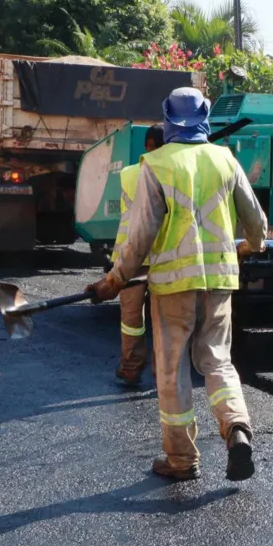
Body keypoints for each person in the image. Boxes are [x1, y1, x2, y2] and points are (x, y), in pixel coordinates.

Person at [87, 87, 269, 481]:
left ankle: (182, 460)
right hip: (220, 281)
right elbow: (255, 219)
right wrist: (251, 246)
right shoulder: (226, 159)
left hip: (172, 288)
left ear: (168, 120)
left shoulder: (155, 164)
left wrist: (115, 280)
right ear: (205, 118)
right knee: (218, 361)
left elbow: (140, 236)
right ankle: (237, 429)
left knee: (172, 371)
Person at [112, 124, 163, 387]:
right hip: (163, 258)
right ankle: (162, 375)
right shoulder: (172, 175)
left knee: (131, 320)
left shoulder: (129, 173)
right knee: (163, 321)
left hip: (130, 259)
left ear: (147, 146)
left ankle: (130, 368)